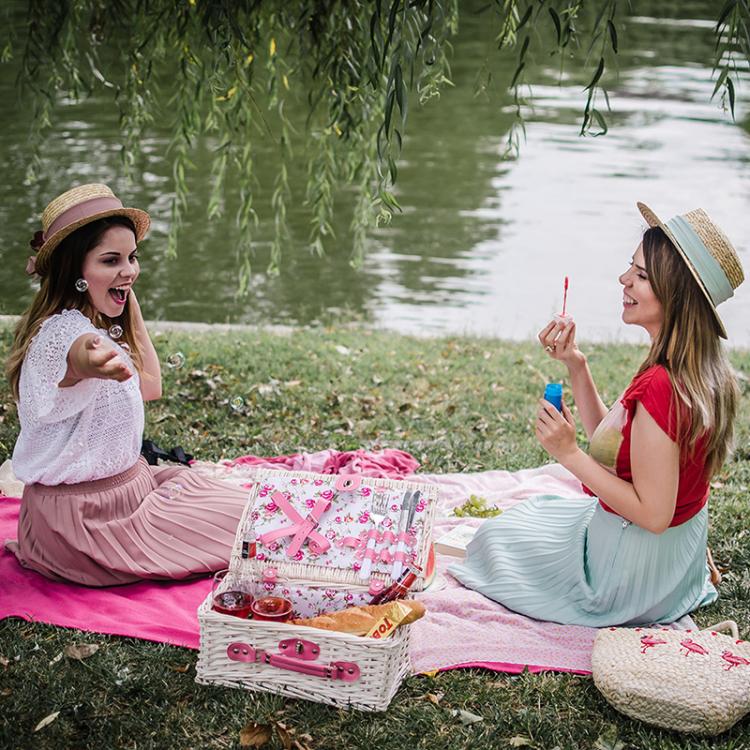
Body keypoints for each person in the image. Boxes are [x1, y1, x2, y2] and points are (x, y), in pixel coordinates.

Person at [449, 202, 744, 626]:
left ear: (676, 295)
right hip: (672, 568)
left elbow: (653, 515)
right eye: (631, 268)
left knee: (495, 540)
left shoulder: (663, 386)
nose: (624, 279)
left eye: (641, 275)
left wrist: (569, 455)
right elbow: (619, 449)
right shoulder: (702, 369)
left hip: (627, 581)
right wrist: (576, 364)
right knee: (538, 512)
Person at [4, 183, 250, 586]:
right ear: (74, 270)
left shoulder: (93, 322)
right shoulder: (62, 335)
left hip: (130, 493)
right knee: (251, 531)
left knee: (251, 509)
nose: (130, 269)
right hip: (86, 524)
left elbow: (150, 386)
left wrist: (125, 298)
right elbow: (79, 353)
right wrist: (91, 361)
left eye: (132, 257)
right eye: (111, 260)